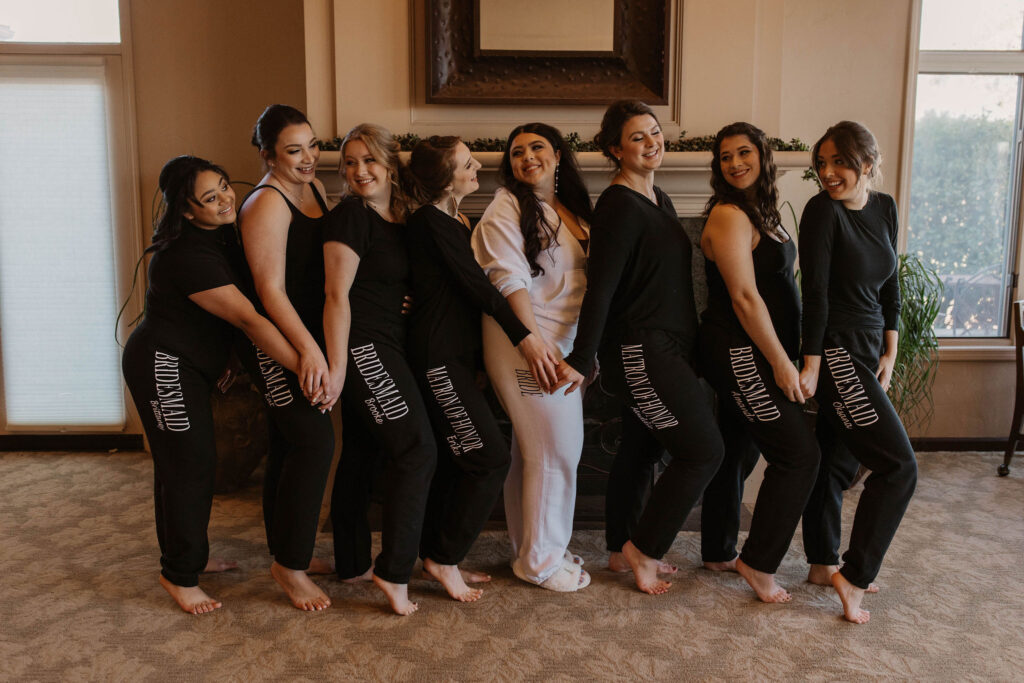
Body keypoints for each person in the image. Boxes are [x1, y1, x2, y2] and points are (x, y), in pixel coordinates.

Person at [122, 155, 305, 614]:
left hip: (191, 365)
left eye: (224, 186)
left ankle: (187, 559)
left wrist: (223, 359)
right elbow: (249, 319)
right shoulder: (185, 255)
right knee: (190, 464)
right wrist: (306, 367)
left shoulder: (221, 233)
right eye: (210, 197)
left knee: (180, 464)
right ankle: (179, 576)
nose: (226, 198)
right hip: (163, 365)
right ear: (186, 211)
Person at [556, 100, 724, 595]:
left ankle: (617, 548)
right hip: (640, 349)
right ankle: (643, 549)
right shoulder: (616, 206)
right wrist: (582, 359)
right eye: (637, 137)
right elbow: (601, 288)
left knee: (642, 443)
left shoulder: (661, 201)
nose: (652, 142)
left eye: (655, 132)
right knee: (703, 450)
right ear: (614, 149)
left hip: (669, 345)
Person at [405, 136, 561, 601]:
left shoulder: (457, 220)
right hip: (436, 359)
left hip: (457, 358)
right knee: (488, 457)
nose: (478, 166)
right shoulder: (428, 222)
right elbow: (479, 288)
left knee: (464, 459)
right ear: (445, 178)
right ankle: (442, 557)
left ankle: (437, 553)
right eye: (466, 163)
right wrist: (526, 337)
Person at [798, 120, 917, 624]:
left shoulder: (884, 207)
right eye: (821, 164)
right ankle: (856, 573)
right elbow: (817, 294)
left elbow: (890, 284)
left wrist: (891, 348)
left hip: (870, 347)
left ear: (866, 163)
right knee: (898, 467)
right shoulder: (821, 212)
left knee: (835, 459)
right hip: (837, 348)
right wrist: (811, 363)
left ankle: (823, 563)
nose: (828, 173)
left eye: (839, 163)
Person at [696, 122, 820, 602]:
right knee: (798, 455)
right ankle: (759, 560)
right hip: (740, 349)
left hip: (760, 349)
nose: (734, 164)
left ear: (764, 155)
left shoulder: (762, 211)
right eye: (725, 157)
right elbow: (745, 298)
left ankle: (717, 548)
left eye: (743, 153)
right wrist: (782, 364)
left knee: (737, 449)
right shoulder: (729, 216)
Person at [321, 123, 437, 616]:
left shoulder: (400, 218)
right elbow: (336, 295)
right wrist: (338, 366)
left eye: (368, 160)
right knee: (417, 449)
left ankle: (351, 561)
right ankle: (393, 571)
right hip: (365, 347)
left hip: (391, 342)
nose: (358, 170)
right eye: (350, 162)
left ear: (390, 163)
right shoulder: (350, 215)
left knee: (364, 452)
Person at [472, 123, 593, 592]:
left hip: (561, 340)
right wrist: (529, 339)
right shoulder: (507, 204)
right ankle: (540, 562)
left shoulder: (576, 208)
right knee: (556, 449)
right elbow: (507, 277)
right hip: (524, 339)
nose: (527, 157)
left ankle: (534, 547)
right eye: (517, 151)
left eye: (537, 147)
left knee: (536, 450)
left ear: (558, 155)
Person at [238, 104, 336, 611]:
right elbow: (269, 291)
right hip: (277, 342)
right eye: (294, 150)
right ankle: (289, 566)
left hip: (306, 339)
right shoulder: (266, 203)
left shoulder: (315, 190)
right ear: (267, 154)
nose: (308, 158)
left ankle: (287, 548)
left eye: (313, 146)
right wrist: (309, 352)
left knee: (287, 443)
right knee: (313, 443)